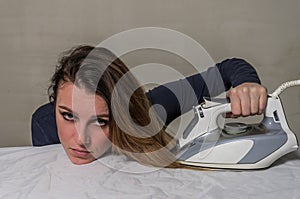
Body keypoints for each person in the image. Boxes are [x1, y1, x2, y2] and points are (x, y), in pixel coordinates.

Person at [31, 45, 267, 167]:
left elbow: (229, 68)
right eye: (68, 116)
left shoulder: (149, 111)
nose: (81, 139)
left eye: (101, 121)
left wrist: (248, 85)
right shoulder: (43, 124)